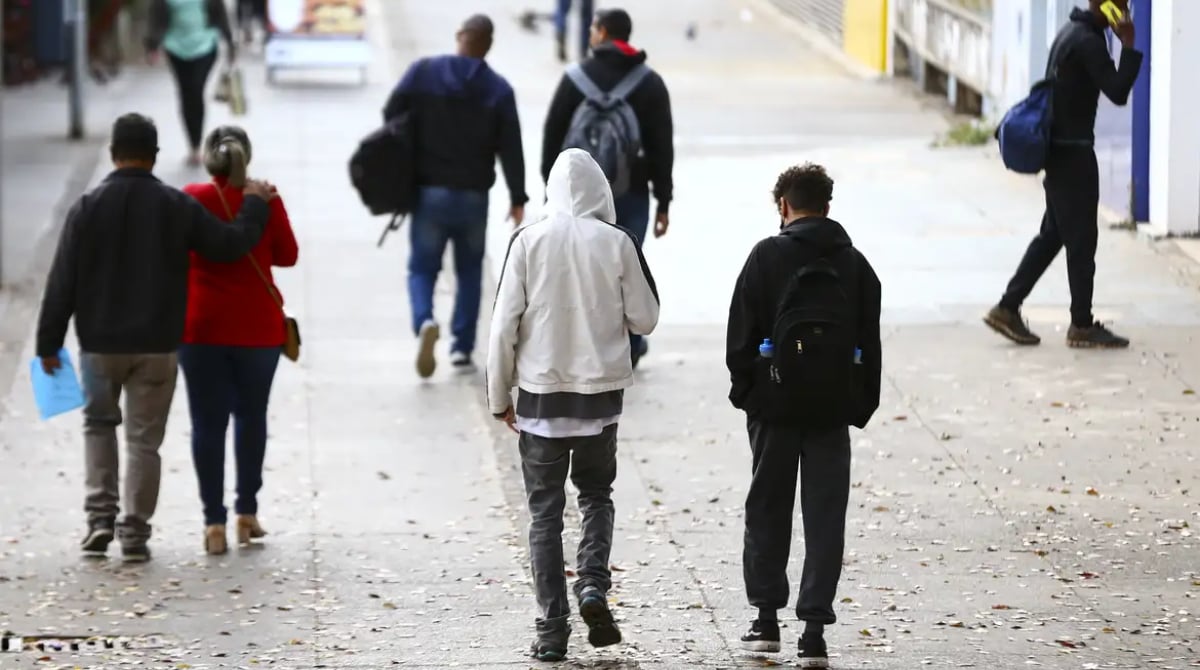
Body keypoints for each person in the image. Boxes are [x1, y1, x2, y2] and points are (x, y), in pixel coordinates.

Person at [35, 113, 276, 563]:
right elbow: (227, 246)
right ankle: (134, 533)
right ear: (155, 156)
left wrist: (48, 344)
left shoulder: (86, 207)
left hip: (100, 346)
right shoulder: (174, 205)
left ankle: (99, 520)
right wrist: (255, 206)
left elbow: (62, 280)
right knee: (144, 441)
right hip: (158, 345)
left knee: (98, 427)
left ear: (112, 154)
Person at [486, 149, 659, 662]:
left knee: (544, 515)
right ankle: (592, 588)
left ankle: (551, 628)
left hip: (540, 400)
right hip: (599, 403)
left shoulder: (527, 242)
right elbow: (645, 318)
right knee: (596, 497)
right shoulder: (617, 242)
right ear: (600, 191)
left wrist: (499, 397)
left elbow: (502, 328)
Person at [725, 164, 882, 668]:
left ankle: (765, 620)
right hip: (831, 411)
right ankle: (813, 630)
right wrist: (857, 407)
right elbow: (870, 347)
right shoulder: (856, 266)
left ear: (784, 208)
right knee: (825, 515)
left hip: (774, 409)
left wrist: (750, 394)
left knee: (768, 508)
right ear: (828, 207)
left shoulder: (764, 257)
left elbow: (739, 342)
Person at [985, 0, 1141, 349]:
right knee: (1082, 241)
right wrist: (1129, 43)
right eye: (1122, 2)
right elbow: (1117, 91)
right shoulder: (1088, 41)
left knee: (1054, 235)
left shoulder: (1072, 32)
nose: (1126, 7)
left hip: (1062, 151)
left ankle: (1007, 307)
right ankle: (1081, 325)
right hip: (1072, 154)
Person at [383, 14, 528, 379]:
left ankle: (425, 321)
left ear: (460, 36)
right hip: (473, 197)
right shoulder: (498, 89)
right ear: (488, 45)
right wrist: (517, 195)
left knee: (421, 267)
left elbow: (391, 115)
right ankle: (462, 348)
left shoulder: (422, 73)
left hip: (429, 192)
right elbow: (511, 146)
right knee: (468, 272)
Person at [179, 126, 298, 556]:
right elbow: (287, 255)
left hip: (202, 329)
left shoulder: (193, 196)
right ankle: (246, 513)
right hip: (257, 332)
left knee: (207, 425)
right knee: (252, 417)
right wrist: (267, 205)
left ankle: (213, 523)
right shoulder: (265, 197)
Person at [541, 7, 673, 369]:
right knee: (627, 269)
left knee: (579, 270)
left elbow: (552, 135)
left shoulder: (574, 78)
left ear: (600, 33)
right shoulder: (649, 83)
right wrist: (664, 200)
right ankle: (629, 346)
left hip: (576, 198)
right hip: (630, 193)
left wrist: (548, 189)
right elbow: (663, 146)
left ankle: (585, 346)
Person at [145, 0, 237, 166]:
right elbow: (156, 16)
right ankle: (192, 146)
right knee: (185, 93)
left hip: (205, 44)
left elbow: (221, 13)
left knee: (196, 90)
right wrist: (152, 46)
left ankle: (197, 143)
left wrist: (230, 43)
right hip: (175, 46)